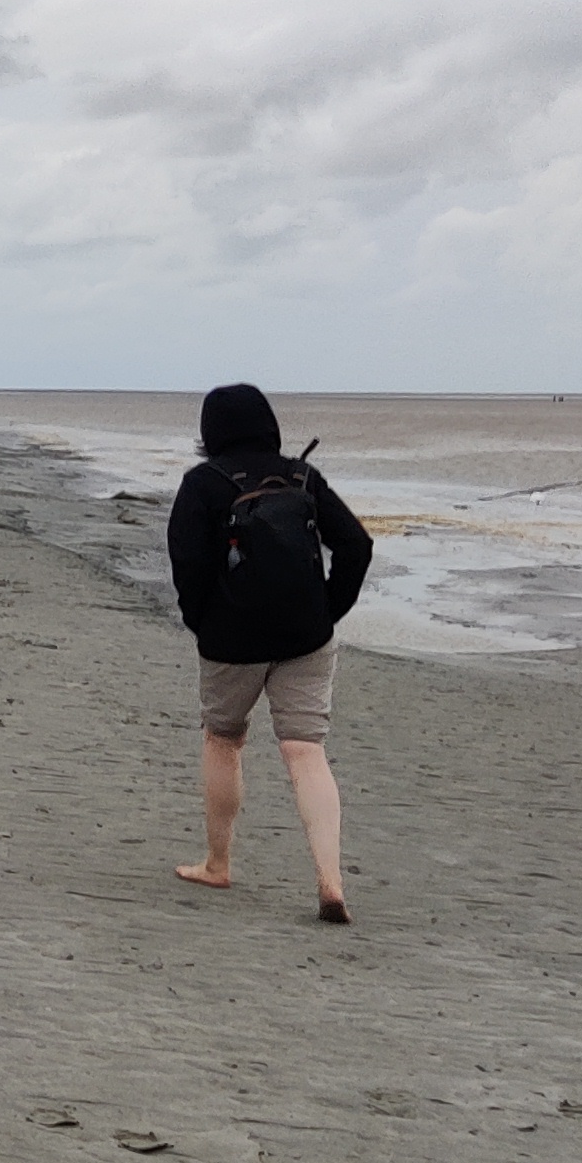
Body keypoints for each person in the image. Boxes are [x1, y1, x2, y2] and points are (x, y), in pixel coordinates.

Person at [167, 382, 375, 923]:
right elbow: (356, 546)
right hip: (306, 636)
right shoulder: (301, 477)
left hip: (229, 640)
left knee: (223, 739)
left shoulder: (203, 483)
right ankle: (331, 884)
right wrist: (327, 610)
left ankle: (218, 863)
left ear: (209, 431)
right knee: (306, 750)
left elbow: (187, 565)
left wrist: (203, 624)